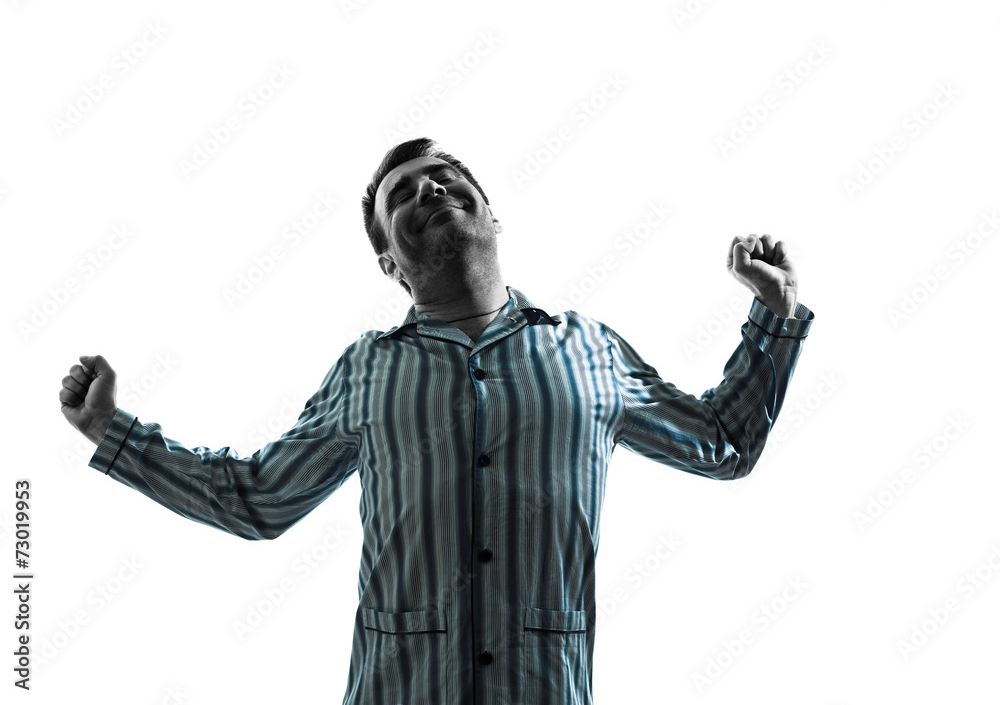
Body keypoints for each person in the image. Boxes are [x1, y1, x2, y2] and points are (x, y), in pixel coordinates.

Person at [60, 137, 814, 704]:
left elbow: (722, 443)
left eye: (446, 177)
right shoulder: (368, 368)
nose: (429, 188)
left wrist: (774, 314)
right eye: (402, 196)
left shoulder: (589, 350)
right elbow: (258, 498)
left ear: (492, 213)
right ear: (389, 262)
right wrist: (111, 431)